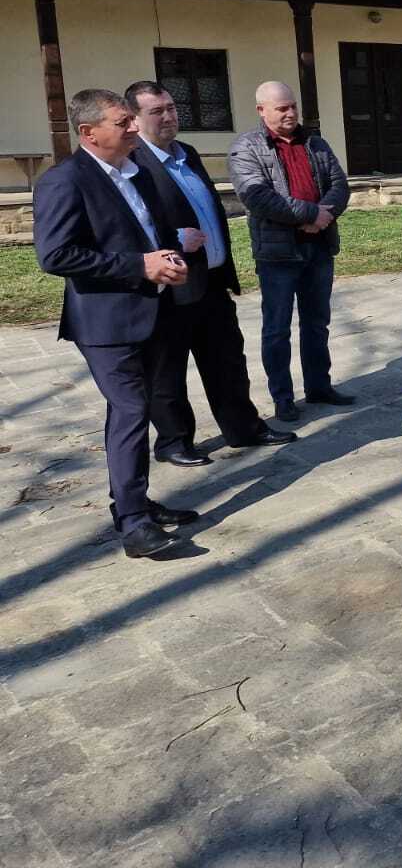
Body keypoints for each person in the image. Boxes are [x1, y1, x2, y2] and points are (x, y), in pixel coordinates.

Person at [33, 89, 200, 559]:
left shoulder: (138, 172)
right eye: (122, 122)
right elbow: (56, 255)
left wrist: (168, 255)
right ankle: (133, 524)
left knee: (136, 409)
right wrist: (139, 266)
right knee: (129, 411)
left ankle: (133, 500)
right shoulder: (63, 182)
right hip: (106, 322)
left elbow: (150, 230)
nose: (133, 128)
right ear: (89, 133)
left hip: (153, 312)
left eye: (131, 120)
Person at [124, 81, 296, 464]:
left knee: (227, 361)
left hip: (212, 279)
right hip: (171, 284)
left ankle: (243, 427)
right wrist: (171, 238)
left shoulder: (187, 153)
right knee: (167, 370)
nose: (169, 116)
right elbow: (130, 224)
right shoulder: (133, 163)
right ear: (134, 120)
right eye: (157, 111)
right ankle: (174, 442)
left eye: (171, 107)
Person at [229, 81, 354, 422]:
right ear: (261, 111)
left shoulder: (315, 141)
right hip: (278, 254)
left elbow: (339, 185)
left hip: (319, 247)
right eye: (281, 108)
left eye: (292, 106)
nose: (290, 113)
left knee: (317, 323)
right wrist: (310, 214)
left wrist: (323, 215)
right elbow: (257, 197)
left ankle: (319, 386)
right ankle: (283, 398)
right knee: (277, 328)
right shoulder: (247, 147)